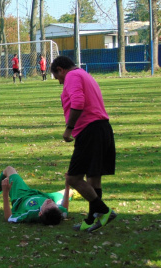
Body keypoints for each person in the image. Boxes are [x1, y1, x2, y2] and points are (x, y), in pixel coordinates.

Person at [50, 55, 117, 233]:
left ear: (60, 70)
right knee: (93, 177)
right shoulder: (84, 75)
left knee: (73, 178)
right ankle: (92, 219)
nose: (59, 83)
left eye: (58, 78)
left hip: (90, 131)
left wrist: (68, 129)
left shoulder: (72, 76)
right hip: (102, 128)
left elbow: (78, 102)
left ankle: (104, 211)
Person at [0, 166, 75, 225]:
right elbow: (65, 209)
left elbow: (9, 218)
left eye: (48, 204)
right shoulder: (56, 211)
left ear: (40, 213)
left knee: (9, 169)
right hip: (43, 195)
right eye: (53, 204)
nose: (50, 202)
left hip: (22, 195)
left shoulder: (29, 213)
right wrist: (66, 185)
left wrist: (5, 194)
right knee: (70, 191)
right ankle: (74, 194)